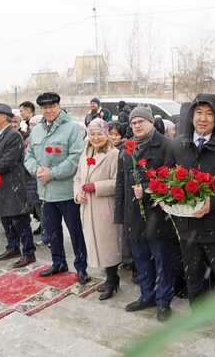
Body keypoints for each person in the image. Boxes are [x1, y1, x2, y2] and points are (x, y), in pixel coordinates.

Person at [169, 93, 215, 343]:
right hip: (187, 225)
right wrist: (170, 200)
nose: (203, 118)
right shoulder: (178, 144)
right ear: (191, 115)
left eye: (209, 113)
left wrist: (213, 202)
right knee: (193, 274)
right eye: (198, 112)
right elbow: (167, 178)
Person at [114, 106, 176, 322]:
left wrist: (148, 188)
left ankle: (163, 301)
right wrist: (120, 215)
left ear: (151, 122)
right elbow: (121, 182)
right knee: (140, 258)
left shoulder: (166, 145)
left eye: (141, 121)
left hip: (157, 213)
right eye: (133, 123)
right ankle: (147, 295)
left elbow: (170, 178)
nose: (137, 125)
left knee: (162, 259)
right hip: (133, 213)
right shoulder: (127, 148)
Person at [25, 93, 89, 282]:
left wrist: (52, 173)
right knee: (52, 232)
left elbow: (75, 158)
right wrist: (36, 170)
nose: (49, 110)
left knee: (76, 232)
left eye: (52, 106)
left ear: (59, 106)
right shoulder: (36, 131)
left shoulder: (71, 129)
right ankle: (58, 263)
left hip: (66, 191)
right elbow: (28, 156)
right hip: (45, 192)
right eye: (45, 108)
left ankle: (81, 267)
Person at [74, 118, 121, 300]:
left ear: (107, 134)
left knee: (108, 244)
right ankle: (109, 277)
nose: (96, 138)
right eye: (92, 134)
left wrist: (97, 187)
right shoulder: (86, 152)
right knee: (95, 244)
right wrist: (78, 193)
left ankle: (112, 279)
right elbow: (78, 177)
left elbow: (118, 182)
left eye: (99, 134)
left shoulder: (114, 154)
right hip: (87, 205)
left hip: (104, 206)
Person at [0, 103, 36, 268]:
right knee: (5, 218)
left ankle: (29, 252)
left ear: (4, 117)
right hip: (0, 184)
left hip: (12, 184)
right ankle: (13, 247)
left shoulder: (13, 135)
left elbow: (8, 160)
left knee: (19, 219)